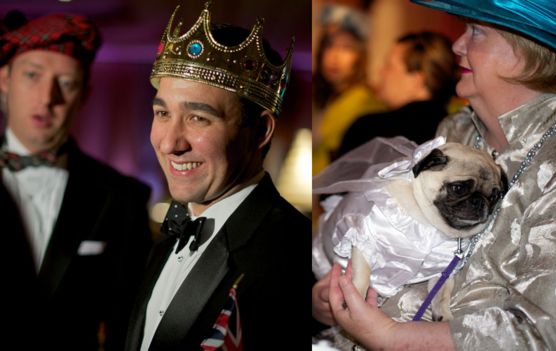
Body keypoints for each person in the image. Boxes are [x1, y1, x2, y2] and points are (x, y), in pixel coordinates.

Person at [317, 0, 556, 350]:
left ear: (532, 50)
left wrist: (393, 339)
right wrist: (340, 295)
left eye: (476, 31)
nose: (457, 45)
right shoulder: (458, 128)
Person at [124, 3, 310, 350]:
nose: (169, 143)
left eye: (198, 118)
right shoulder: (167, 239)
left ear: (260, 131)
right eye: (162, 113)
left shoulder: (293, 254)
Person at [0, 12, 152, 350]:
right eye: (32, 75)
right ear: (4, 79)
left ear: (84, 95)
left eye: (66, 83)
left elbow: (126, 327)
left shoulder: (123, 198)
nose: (47, 98)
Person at [337, 31, 458, 156]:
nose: (381, 72)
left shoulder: (368, 129)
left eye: (389, 66)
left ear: (417, 80)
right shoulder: (459, 132)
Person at [312, 3, 385, 175]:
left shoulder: (364, 102)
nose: (335, 57)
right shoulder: (326, 97)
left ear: (360, 55)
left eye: (347, 47)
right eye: (329, 46)